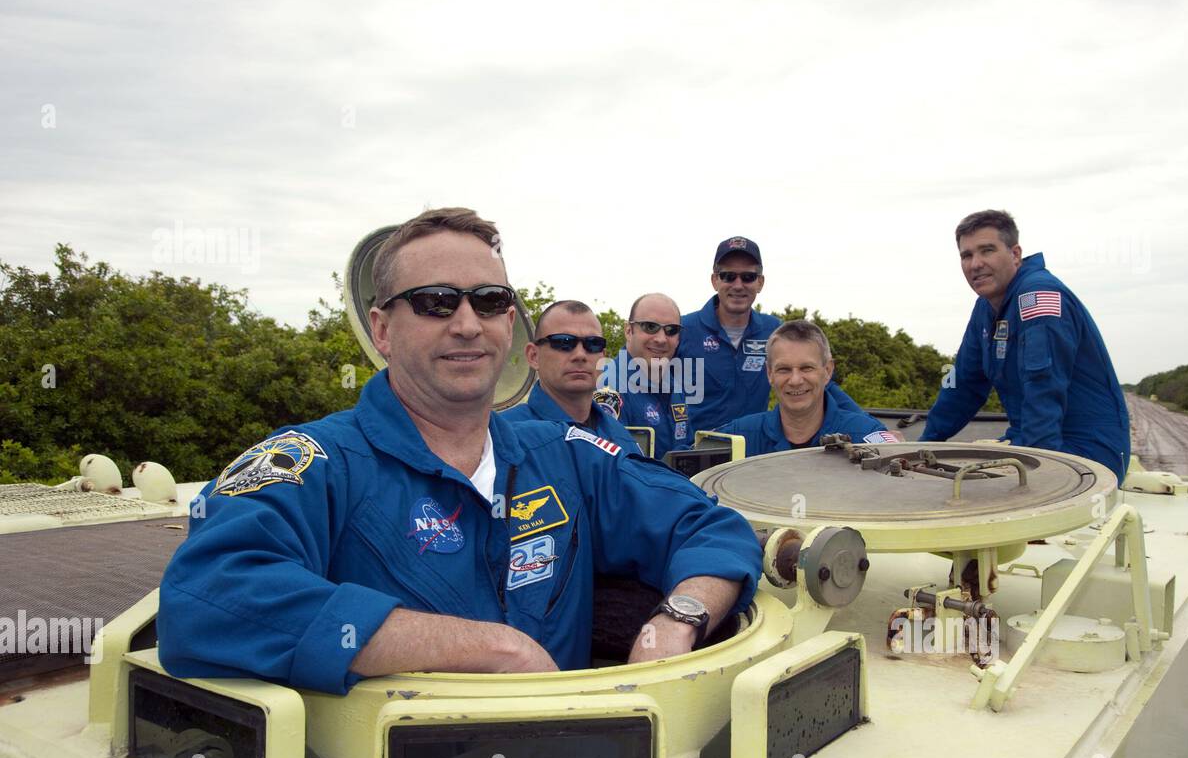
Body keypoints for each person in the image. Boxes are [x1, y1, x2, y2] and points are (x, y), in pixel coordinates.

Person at [157, 208, 760, 695]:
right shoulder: (315, 462)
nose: (469, 323)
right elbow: (207, 598)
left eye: (491, 300)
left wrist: (678, 618)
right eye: (436, 301)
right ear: (383, 329)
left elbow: (711, 528)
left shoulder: (569, 453)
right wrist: (490, 650)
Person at [919, 209, 1131, 480]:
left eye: (987, 251)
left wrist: (1038, 478)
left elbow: (1043, 387)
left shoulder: (1038, 296)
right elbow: (962, 385)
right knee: (937, 478)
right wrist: (924, 443)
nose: (975, 264)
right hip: (1031, 439)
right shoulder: (985, 308)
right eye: (967, 255)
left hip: (1089, 452)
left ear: (1015, 254)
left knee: (970, 499)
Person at [678, 235, 861, 434]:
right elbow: (649, 386)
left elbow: (822, 382)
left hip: (753, 450)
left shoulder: (774, 331)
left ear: (760, 282)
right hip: (695, 452)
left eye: (748, 277)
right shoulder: (681, 329)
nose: (738, 285)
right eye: (728, 276)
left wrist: (875, 430)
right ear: (715, 280)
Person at [719, 320, 898, 454]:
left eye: (807, 368)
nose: (795, 380)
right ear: (769, 374)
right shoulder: (738, 436)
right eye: (784, 369)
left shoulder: (868, 436)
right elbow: (691, 472)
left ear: (827, 371)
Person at [500, 299, 638, 450]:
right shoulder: (500, 437)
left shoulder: (624, 441)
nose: (580, 355)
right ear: (534, 356)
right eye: (563, 342)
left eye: (593, 344)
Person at [600, 292, 693, 459]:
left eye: (671, 330)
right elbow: (616, 469)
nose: (661, 339)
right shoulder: (608, 390)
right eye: (650, 327)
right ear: (629, 331)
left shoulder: (675, 386)